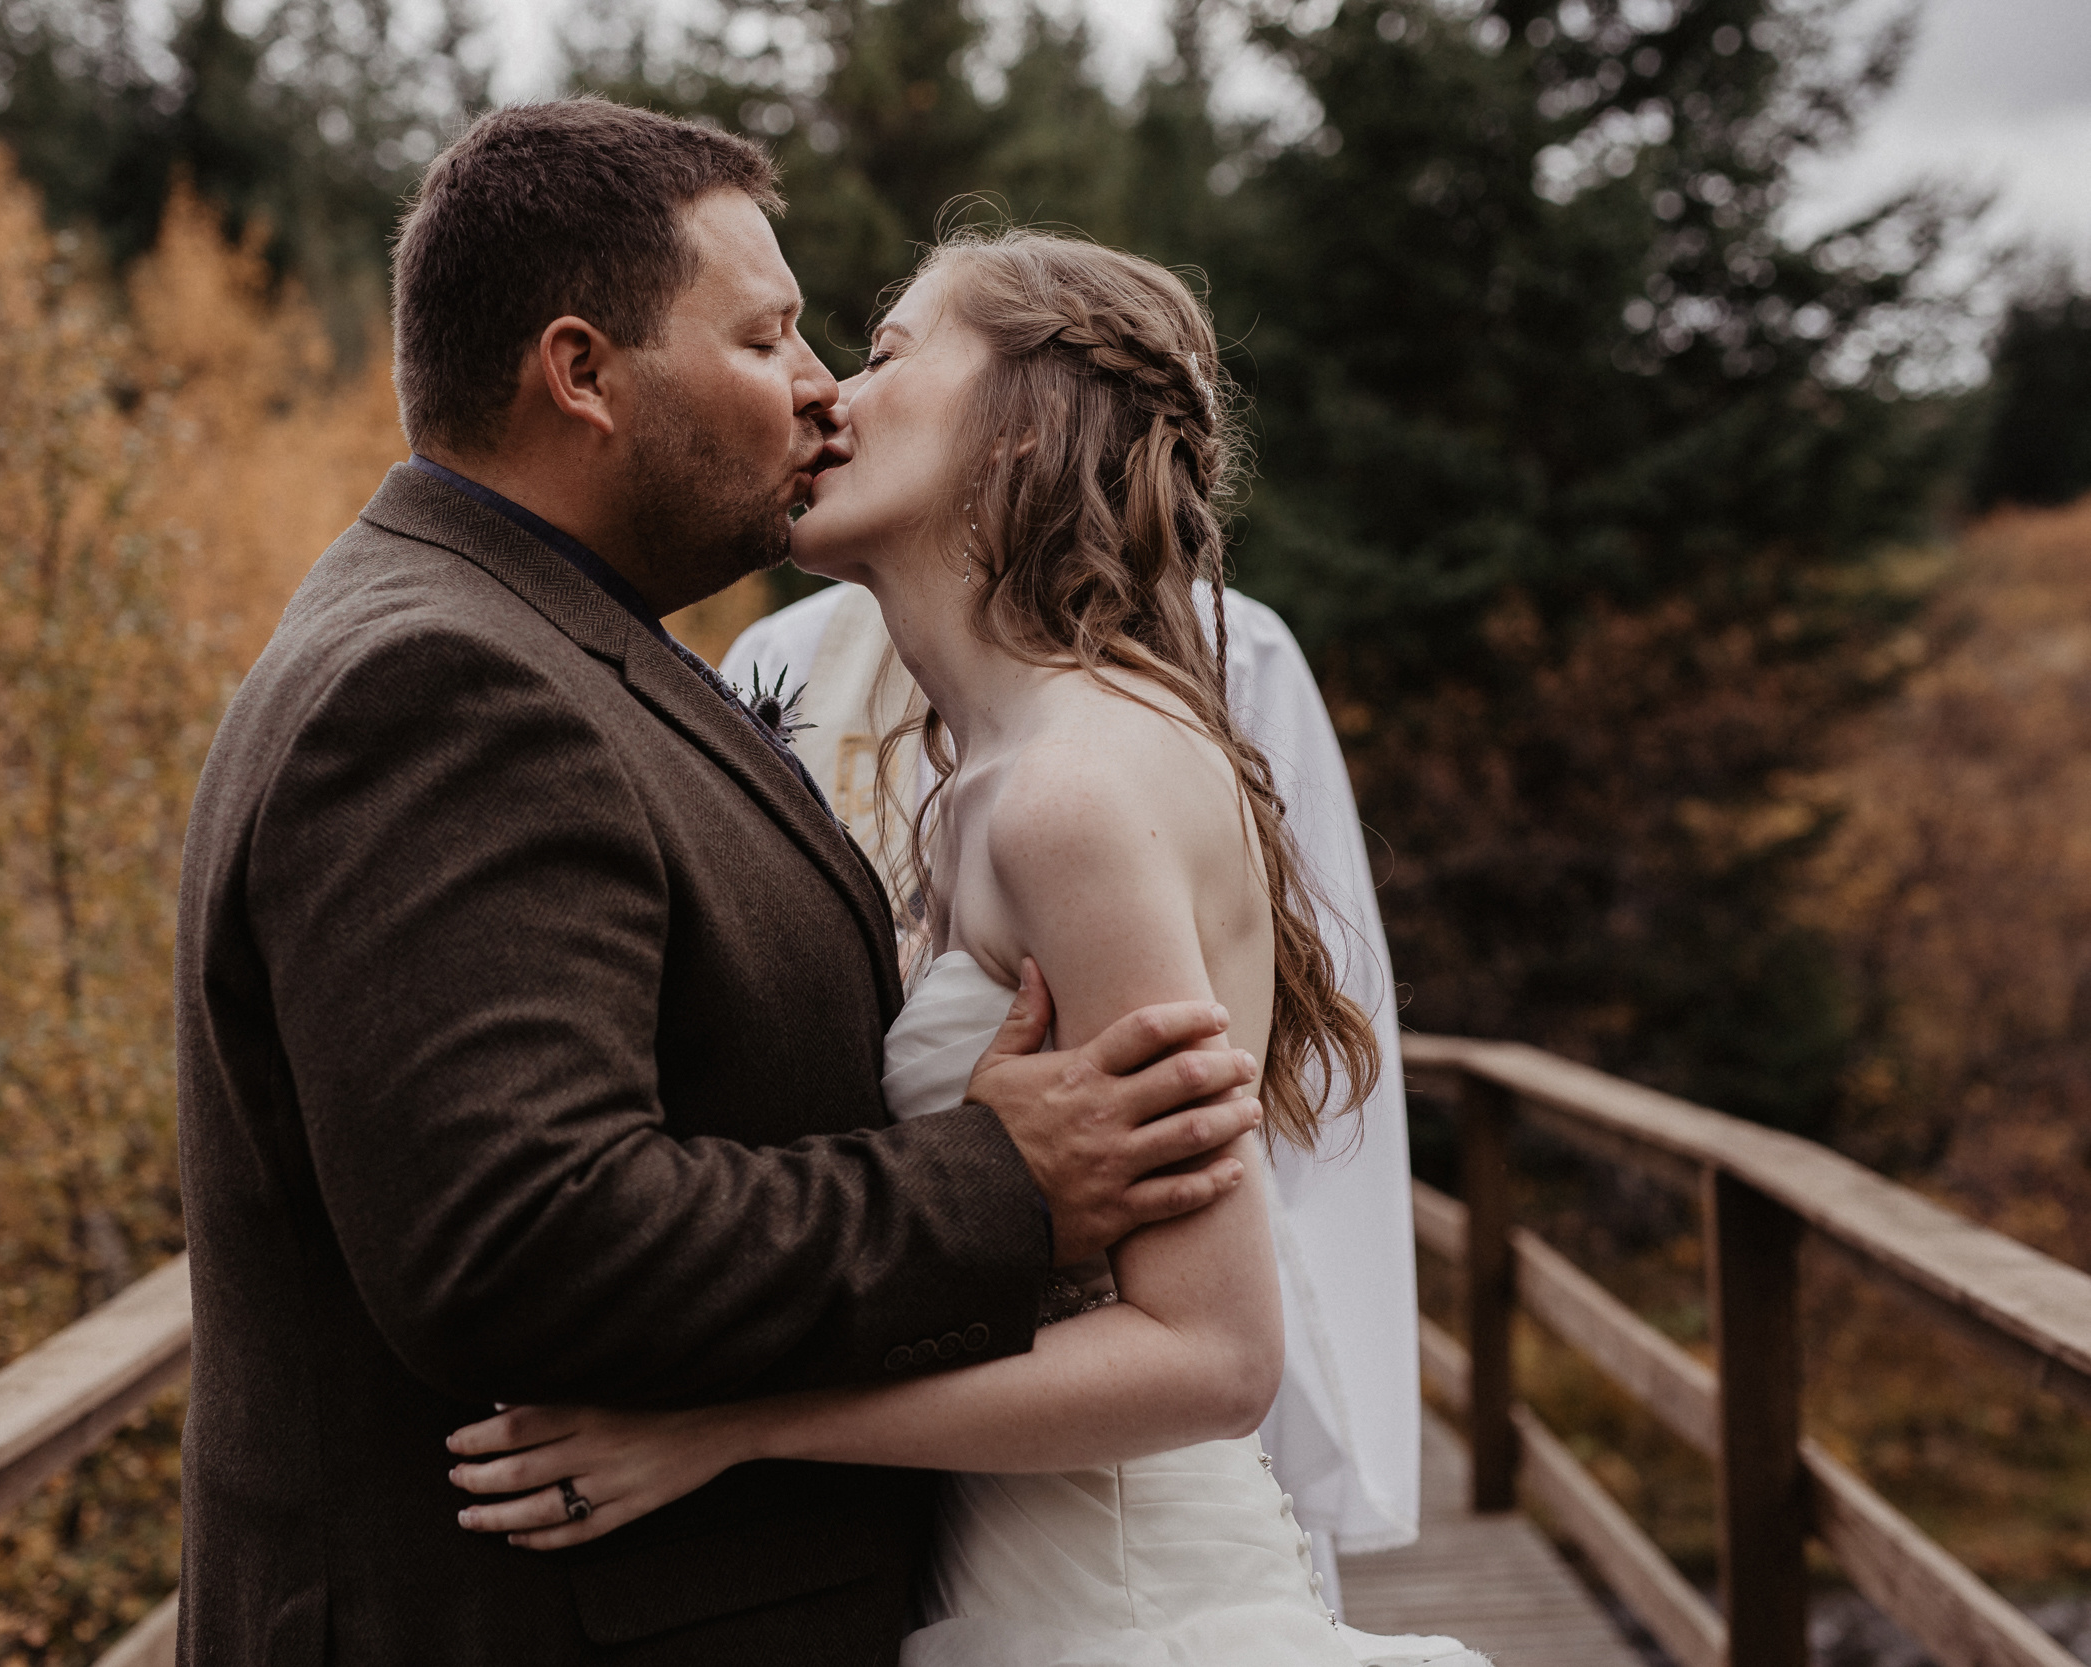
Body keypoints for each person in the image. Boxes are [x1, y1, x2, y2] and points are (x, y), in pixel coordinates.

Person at [172, 100, 1277, 1667]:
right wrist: (999, 1179)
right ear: (583, 374)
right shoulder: (441, 680)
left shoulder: (561, 646)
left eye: (860, 348)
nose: (822, 389)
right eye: (771, 340)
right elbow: (524, 1235)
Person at [447, 228, 1489, 1667]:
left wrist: (729, 1427)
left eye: (882, 356)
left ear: (1019, 434)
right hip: (1001, 1587)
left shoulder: (1072, 793)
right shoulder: (989, 780)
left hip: (1123, 1612)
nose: (825, 398)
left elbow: (1212, 1352)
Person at [718, 567, 1422, 1619]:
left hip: (1150, 1366)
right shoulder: (778, 653)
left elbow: (1291, 1036)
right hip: (914, 1421)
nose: (829, 399)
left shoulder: (1223, 655)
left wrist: (1336, 1443)